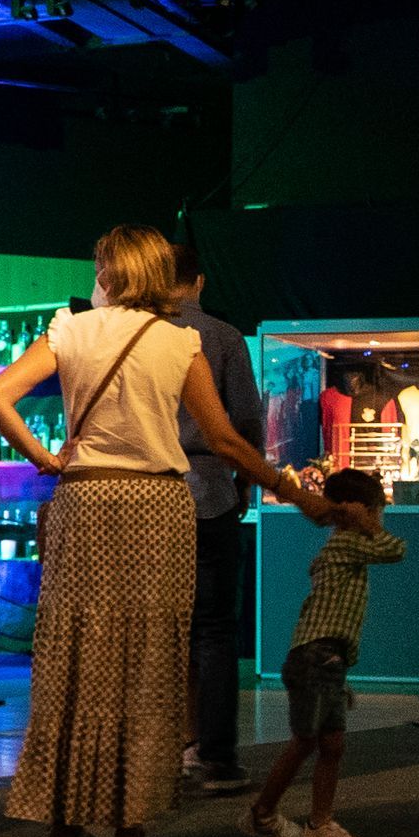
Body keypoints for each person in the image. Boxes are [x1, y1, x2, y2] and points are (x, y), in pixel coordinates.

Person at [0, 224, 361, 837]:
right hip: (158, 506)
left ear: (111, 272)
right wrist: (295, 493)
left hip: (85, 501)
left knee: (74, 656)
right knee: (150, 663)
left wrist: (46, 457)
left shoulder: (68, 332)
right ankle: (130, 832)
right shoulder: (180, 342)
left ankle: (62, 829)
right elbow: (230, 442)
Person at [240, 468, 406, 837]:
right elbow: (395, 550)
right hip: (319, 658)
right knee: (307, 741)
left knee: (330, 744)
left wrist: (338, 672)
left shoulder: (343, 547)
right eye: (376, 510)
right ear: (358, 511)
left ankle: (319, 822)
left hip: (324, 660)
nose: (379, 518)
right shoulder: (347, 543)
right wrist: (365, 524)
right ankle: (263, 813)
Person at [167, 243, 264, 795]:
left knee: (164, 628)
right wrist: (251, 480)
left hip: (149, 492)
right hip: (210, 490)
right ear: (199, 282)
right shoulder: (223, 337)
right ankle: (218, 758)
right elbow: (245, 420)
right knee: (214, 628)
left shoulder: (137, 335)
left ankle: (169, 749)